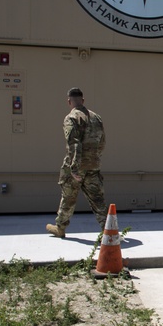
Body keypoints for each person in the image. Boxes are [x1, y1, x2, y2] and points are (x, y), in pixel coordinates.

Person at [46, 87, 107, 238]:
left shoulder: (71, 118)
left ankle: (60, 228)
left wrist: (74, 168)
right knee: (98, 199)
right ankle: (108, 229)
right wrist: (94, 159)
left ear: (69, 101)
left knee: (68, 197)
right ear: (83, 100)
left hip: (77, 167)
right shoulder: (96, 118)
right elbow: (102, 142)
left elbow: (74, 144)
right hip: (93, 166)